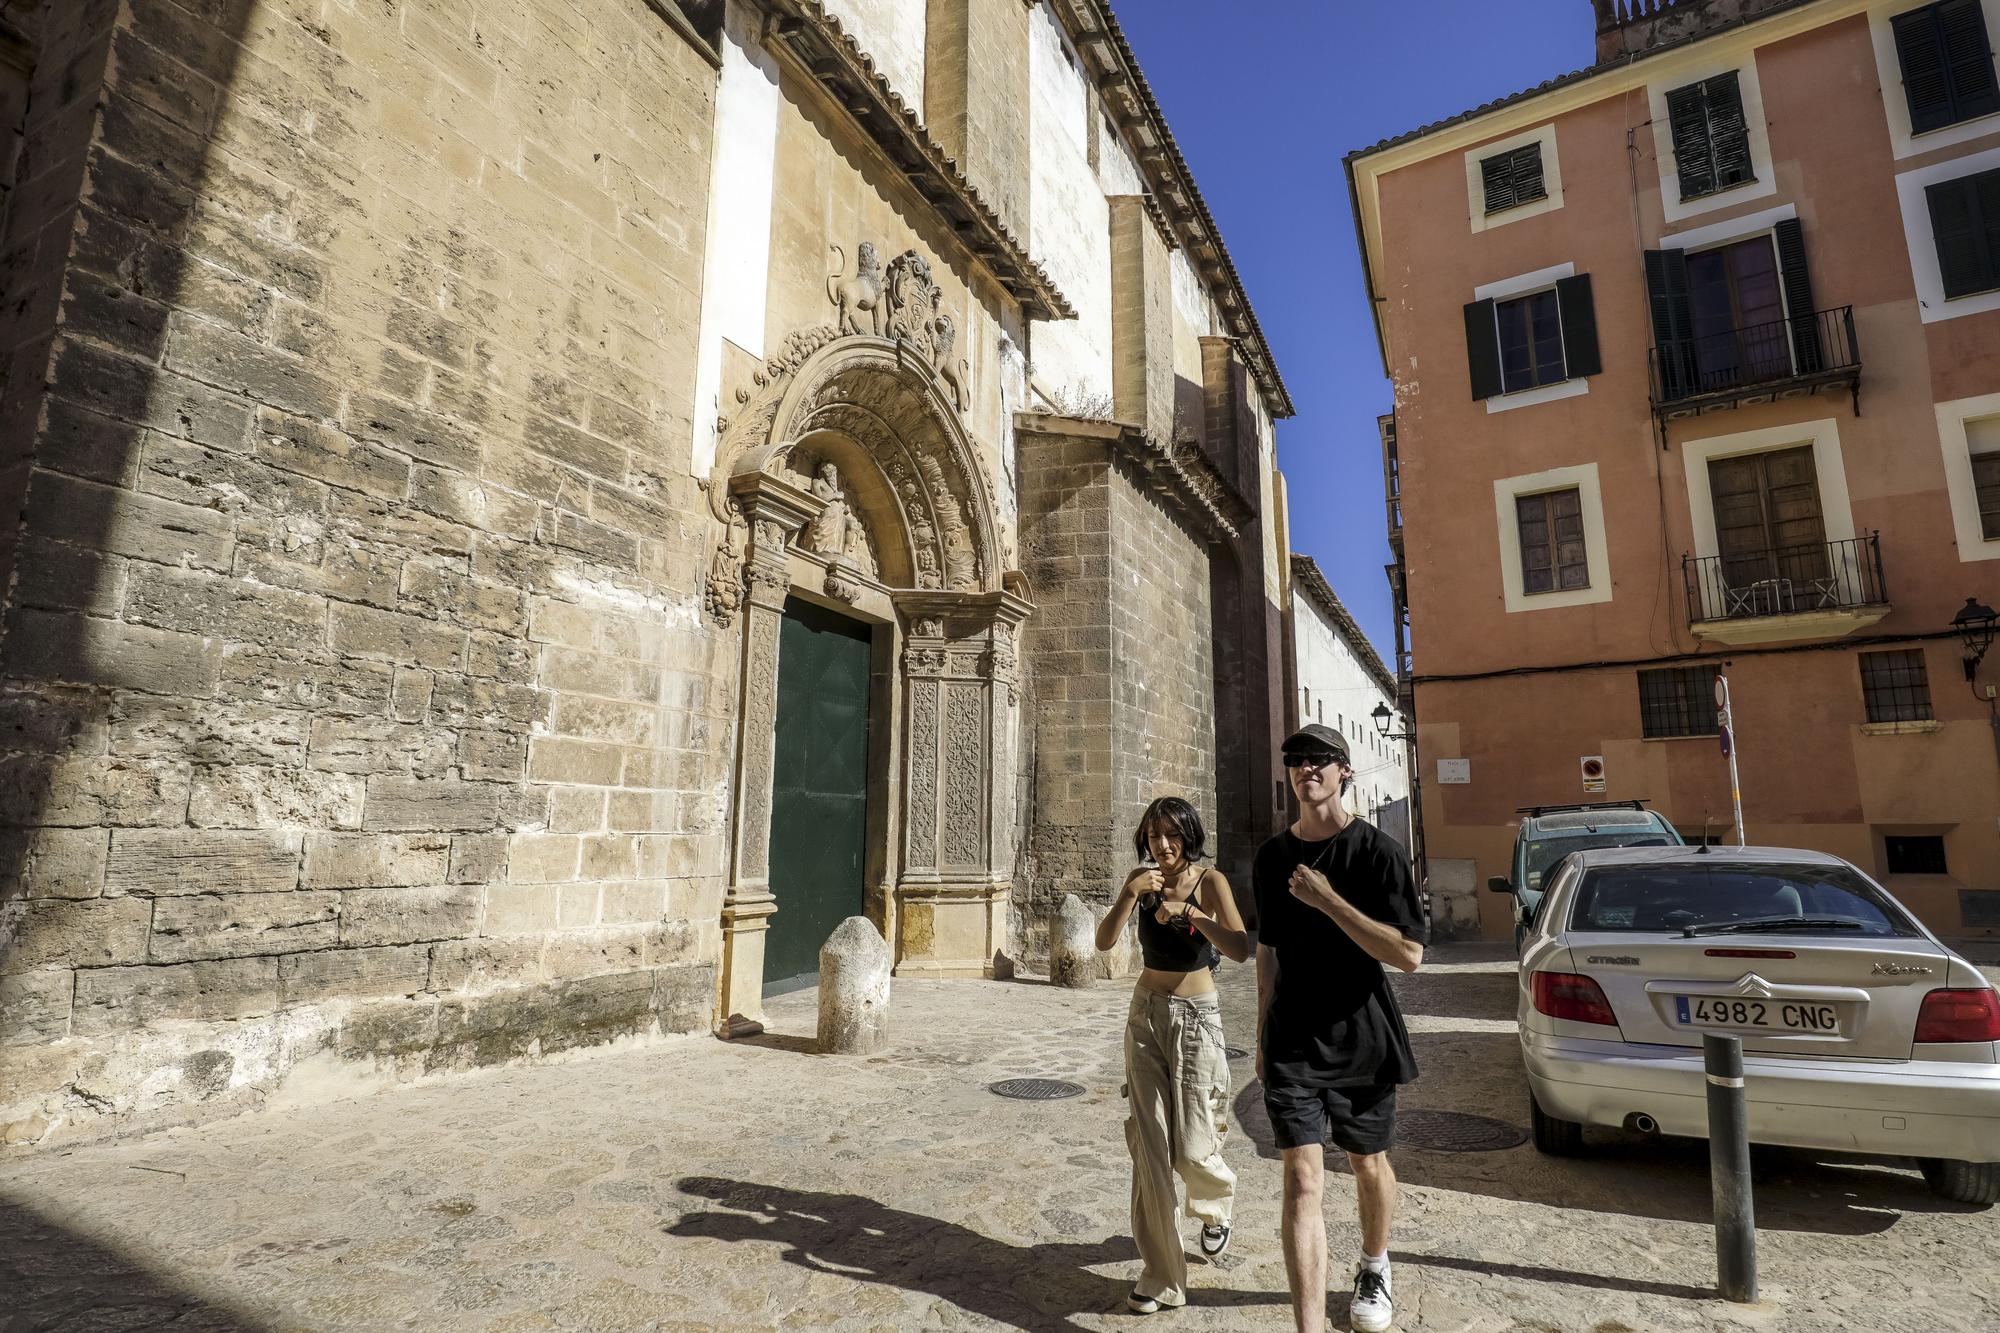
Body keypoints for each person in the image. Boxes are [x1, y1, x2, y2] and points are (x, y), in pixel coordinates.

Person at [1254, 724, 1426, 1333]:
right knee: (1302, 1178)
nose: (1307, 770)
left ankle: (1375, 1265)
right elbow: (1268, 949)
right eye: (1297, 761)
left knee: (1367, 1165)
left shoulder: (1379, 852)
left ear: (1344, 771)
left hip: (1363, 1035)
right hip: (1293, 1039)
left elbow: (1408, 955)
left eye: (1319, 761)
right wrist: (1261, 1032)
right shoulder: (1273, 857)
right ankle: (1308, 1326)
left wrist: (1330, 902)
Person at [1094, 796, 1251, 1315]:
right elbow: (1103, 941)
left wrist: (1190, 913)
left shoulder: (1211, 882)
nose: (1163, 845)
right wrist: (1126, 893)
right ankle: (1161, 1274)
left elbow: (1239, 947)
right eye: (1155, 835)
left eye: (1173, 835)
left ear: (1188, 835)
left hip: (1197, 1017)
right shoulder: (1141, 882)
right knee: (1150, 1145)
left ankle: (1214, 1207)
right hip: (1145, 1015)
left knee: (1194, 1145)